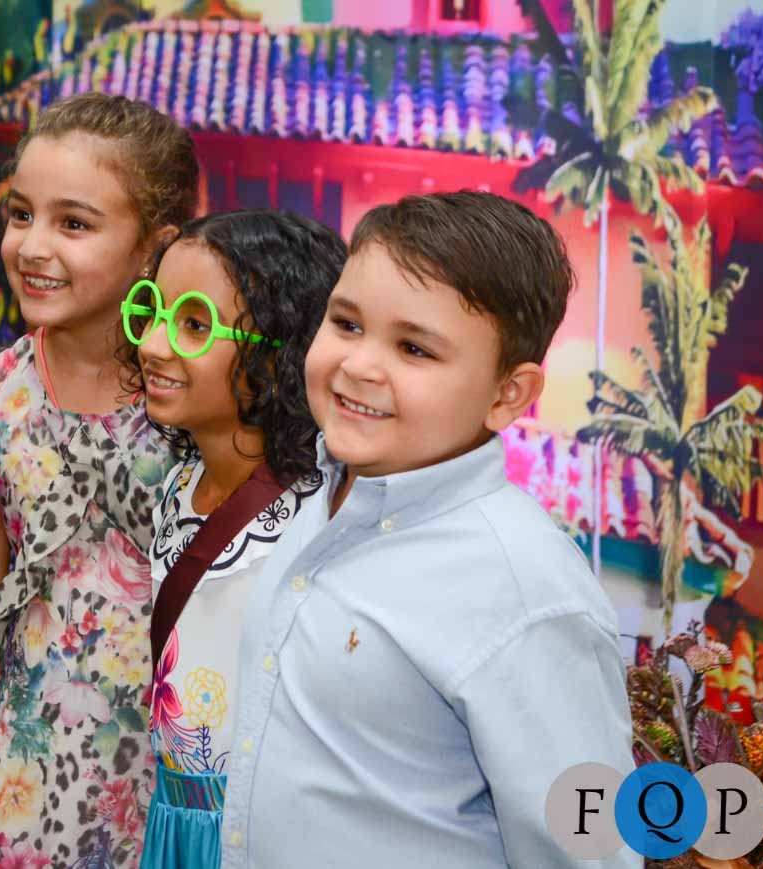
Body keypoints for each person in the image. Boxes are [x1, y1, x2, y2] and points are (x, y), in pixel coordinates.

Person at [219, 192, 639, 868]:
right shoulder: (319, 493)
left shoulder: (525, 589)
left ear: (507, 394)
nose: (359, 364)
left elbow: (588, 853)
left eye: (414, 348)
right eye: (347, 323)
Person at [0, 93, 199, 869]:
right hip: (29, 780)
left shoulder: (202, 396)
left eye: (74, 223)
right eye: (21, 214)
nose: (32, 245)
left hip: (179, 782)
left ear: (156, 247)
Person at [119, 210, 346, 869]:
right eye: (154, 310)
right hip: (174, 819)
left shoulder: (315, 521)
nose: (153, 343)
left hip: (262, 836)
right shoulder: (180, 483)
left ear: (280, 352)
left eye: (194, 324)